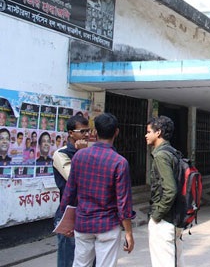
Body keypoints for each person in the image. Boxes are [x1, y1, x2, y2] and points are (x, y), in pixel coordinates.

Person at [60, 113, 136, 266]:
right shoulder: (119, 162)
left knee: (80, 264)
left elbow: (69, 192)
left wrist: (66, 222)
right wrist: (128, 232)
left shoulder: (79, 156)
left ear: (94, 132)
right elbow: (123, 201)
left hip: (83, 223)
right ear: (116, 132)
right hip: (107, 225)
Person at [146, 115, 184, 267]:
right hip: (174, 218)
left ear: (158, 132)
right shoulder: (173, 152)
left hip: (165, 220)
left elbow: (170, 190)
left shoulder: (161, 155)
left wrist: (157, 215)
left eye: (149, 132)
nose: (146, 135)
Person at [53, 114, 91, 267]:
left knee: (88, 259)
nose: (86, 135)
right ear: (70, 133)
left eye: (88, 131)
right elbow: (76, 180)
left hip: (87, 212)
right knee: (67, 259)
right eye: (82, 132)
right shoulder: (61, 154)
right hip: (69, 212)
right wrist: (81, 154)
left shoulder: (88, 151)